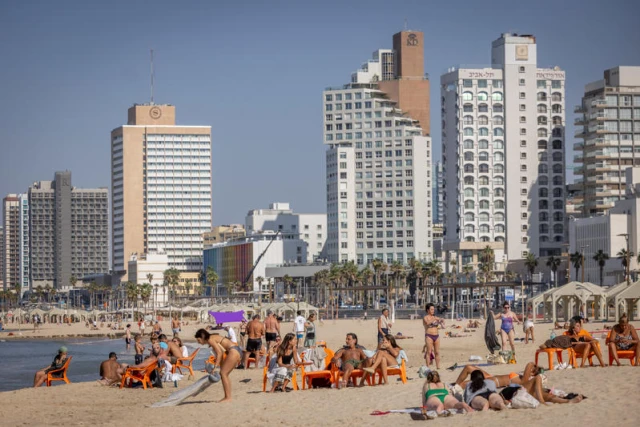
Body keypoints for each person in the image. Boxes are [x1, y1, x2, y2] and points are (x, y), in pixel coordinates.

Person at [195, 328, 242, 402]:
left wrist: (215, 367)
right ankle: (228, 396)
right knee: (224, 375)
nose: (199, 343)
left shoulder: (210, 339)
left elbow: (219, 353)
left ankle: (228, 397)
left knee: (223, 374)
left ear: (203, 337)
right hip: (235, 350)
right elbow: (222, 352)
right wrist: (219, 365)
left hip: (233, 351)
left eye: (199, 340)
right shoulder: (212, 337)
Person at [540, 319, 607, 367]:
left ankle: (602, 363)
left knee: (591, 343)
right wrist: (582, 343)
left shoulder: (583, 336)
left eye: (580, 326)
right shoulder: (568, 336)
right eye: (577, 326)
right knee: (588, 344)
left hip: (588, 348)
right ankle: (583, 364)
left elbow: (596, 341)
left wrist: (587, 342)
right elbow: (567, 344)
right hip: (577, 348)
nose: (580, 327)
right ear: (573, 328)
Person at [423, 303, 444, 369]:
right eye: (431, 309)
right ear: (427, 310)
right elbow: (427, 323)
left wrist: (441, 320)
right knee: (429, 352)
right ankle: (427, 367)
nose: (433, 311)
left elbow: (442, 322)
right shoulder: (425, 317)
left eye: (433, 309)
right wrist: (434, 318)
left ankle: (438, 367)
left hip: (436, 336)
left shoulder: (435, 317)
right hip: (429, 336)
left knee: (437, 352)